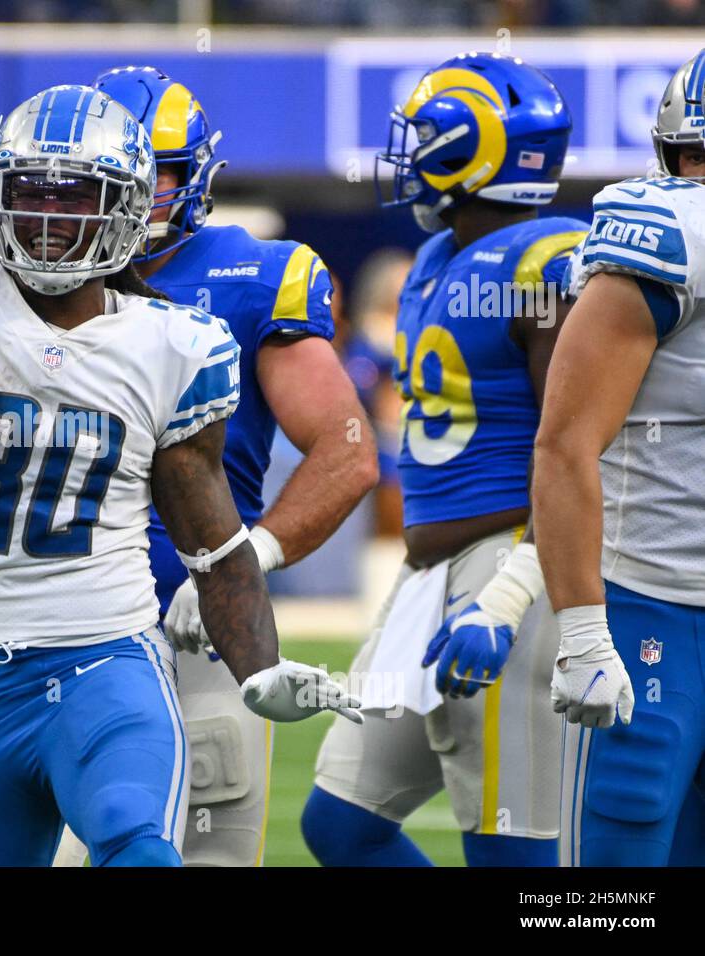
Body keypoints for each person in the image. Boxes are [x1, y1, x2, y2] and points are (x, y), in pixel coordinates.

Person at [0, 84, 362, 866]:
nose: (47, 222)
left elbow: (210, 543)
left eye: (76, 197)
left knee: (134, 843)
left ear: (127, 209)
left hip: (106, 662)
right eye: (28, 195)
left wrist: (255, 669)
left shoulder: (173, 344)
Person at [49, 66, 377, 868]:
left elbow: (347, 452)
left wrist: (242, 563)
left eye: (152, 172)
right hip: (55, 630)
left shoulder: (251, 276)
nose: (134, 194)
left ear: (193, 175)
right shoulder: (34, 279)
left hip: (196, 635)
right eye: (113, 173)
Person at [301, 52, 587, 867]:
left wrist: (508, 593)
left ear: (478, 150)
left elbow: (580, 450)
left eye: (427, 136)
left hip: (513, 563)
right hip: (427, 575)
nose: (411, 152)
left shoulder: (550, 264)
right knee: (341, 824)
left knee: (511, 852)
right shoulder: (432, 258)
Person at [535, 49, 705, 866]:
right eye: (700, 157)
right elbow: (565, 442)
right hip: (655, 604)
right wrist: (583, 633)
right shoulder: (672, 232)